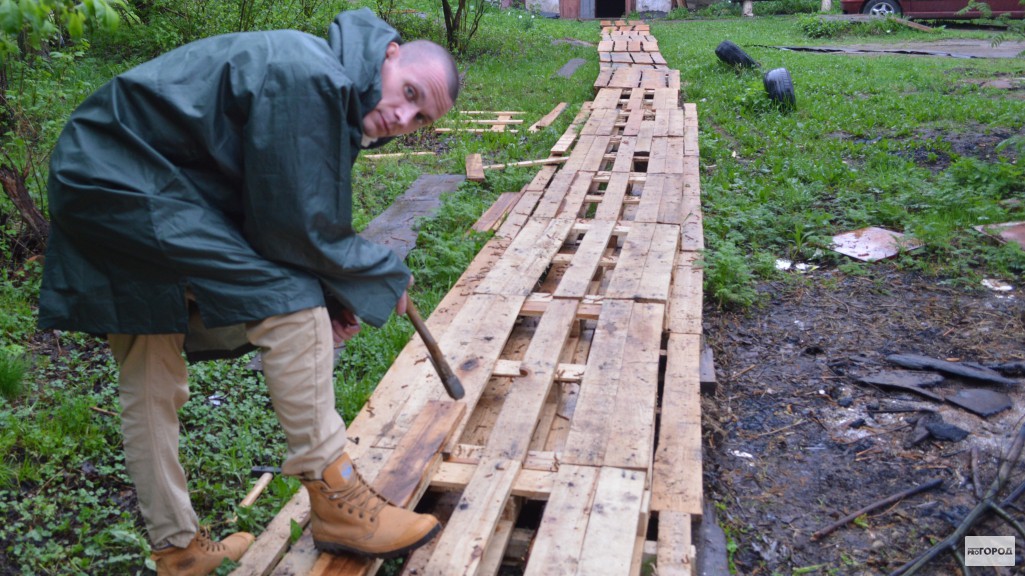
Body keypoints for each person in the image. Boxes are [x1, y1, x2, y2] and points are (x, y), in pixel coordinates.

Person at [37, 8, 459, 576]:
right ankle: (337, 498)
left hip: (104, 175)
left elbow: (271, 208)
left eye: (418, 117)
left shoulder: (324, 85)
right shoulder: (312, 75)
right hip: (124, 179)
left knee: (151, 365)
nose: (402, 115)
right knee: (288, 297)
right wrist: (379, 276)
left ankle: (177, 549)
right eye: (408, 92)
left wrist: (340, 289)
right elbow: (297, 229)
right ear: (389, 55)